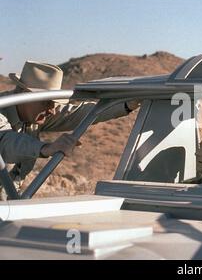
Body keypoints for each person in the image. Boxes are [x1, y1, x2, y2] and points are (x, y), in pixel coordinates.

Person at [0, 60, 140, 200]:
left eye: (54, 103)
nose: (52, 111)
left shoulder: (34, 113)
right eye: (46, 102)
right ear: (24, 94)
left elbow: (78, 113)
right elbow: (6, 142)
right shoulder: (2, 108)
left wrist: (127, 104)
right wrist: (46, 148)